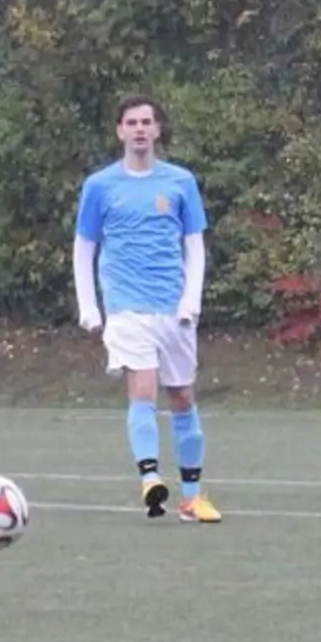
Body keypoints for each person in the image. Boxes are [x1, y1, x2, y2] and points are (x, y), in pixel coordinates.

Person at [73, 95, 220, 523]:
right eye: (131, 122)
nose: (139, 129)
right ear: (119, 131)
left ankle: (192, 498)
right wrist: (90, 306)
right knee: (143, 388)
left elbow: (194, 247)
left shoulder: (180, 182)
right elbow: (85, 248)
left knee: (181, 396)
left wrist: (191, 300)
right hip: (126, 308)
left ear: (157, 130)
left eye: (147, 122)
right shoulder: (100, 186)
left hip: (173, 310)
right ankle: (150, 477)